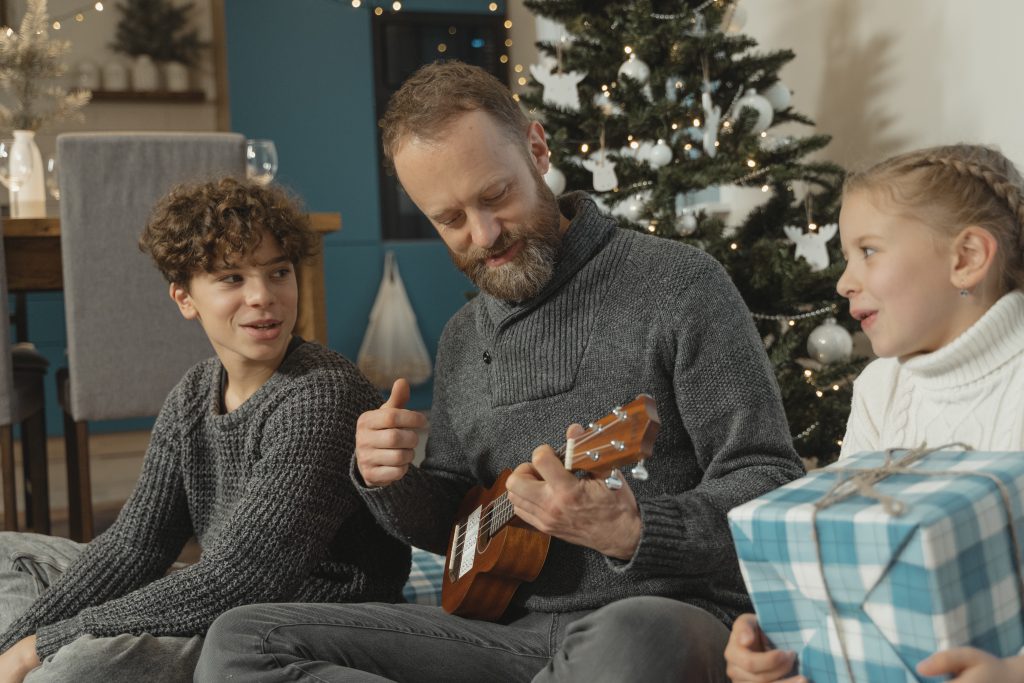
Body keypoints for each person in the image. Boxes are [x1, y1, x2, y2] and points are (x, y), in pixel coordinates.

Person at [196, 60, 805, 682]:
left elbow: (770, 481)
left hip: (661, 619)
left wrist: (634, 528)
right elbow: (458, 526)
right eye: (450, 220)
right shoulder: (465, 336)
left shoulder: (679, 284)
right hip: (506, 642)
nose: (483, 234)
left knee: (634, 637)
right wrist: (393, 479)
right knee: (245, 638)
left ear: (536, 149)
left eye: (496, 197)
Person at [0, 177, 410, 683]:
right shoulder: (194, 394)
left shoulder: (321, 395)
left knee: (73, 671)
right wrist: (14, 646)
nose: (264, 296)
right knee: (7, 553)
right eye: (232, 278)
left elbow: (243, 578)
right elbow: (135, 547)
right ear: (184, 298)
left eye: (279, 272)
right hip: (218, 597)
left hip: (293, 622)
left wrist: (44, 645)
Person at [723, 144, 1024, 683]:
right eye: (845, 256)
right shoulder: (881, 389)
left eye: (868, 251)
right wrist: (782, 647)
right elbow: (851, 559)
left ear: (967, 257)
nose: (843, 282)